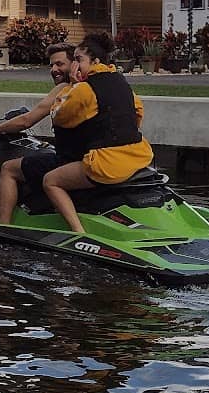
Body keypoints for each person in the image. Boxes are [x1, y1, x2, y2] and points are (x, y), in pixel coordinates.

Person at [39, 30, 152, 239]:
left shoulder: (84, 88)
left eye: (79, 60)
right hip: (138, 155)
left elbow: (59, 116)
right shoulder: (121, 82)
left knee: (50, 181)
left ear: (95, 60)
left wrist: (73, 85)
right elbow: (137, 112)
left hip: (107, 163)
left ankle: (78, 233)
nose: (75, 65)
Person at [0, 43, 77, 225]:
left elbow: (26, 120)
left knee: (8, 168)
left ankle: (3, 228)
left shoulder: (66, 88)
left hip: (70, 161)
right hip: (91, 157)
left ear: (74, 65)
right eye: (51, 65)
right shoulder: (91, 87)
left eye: (60, 64)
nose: (54, 70)